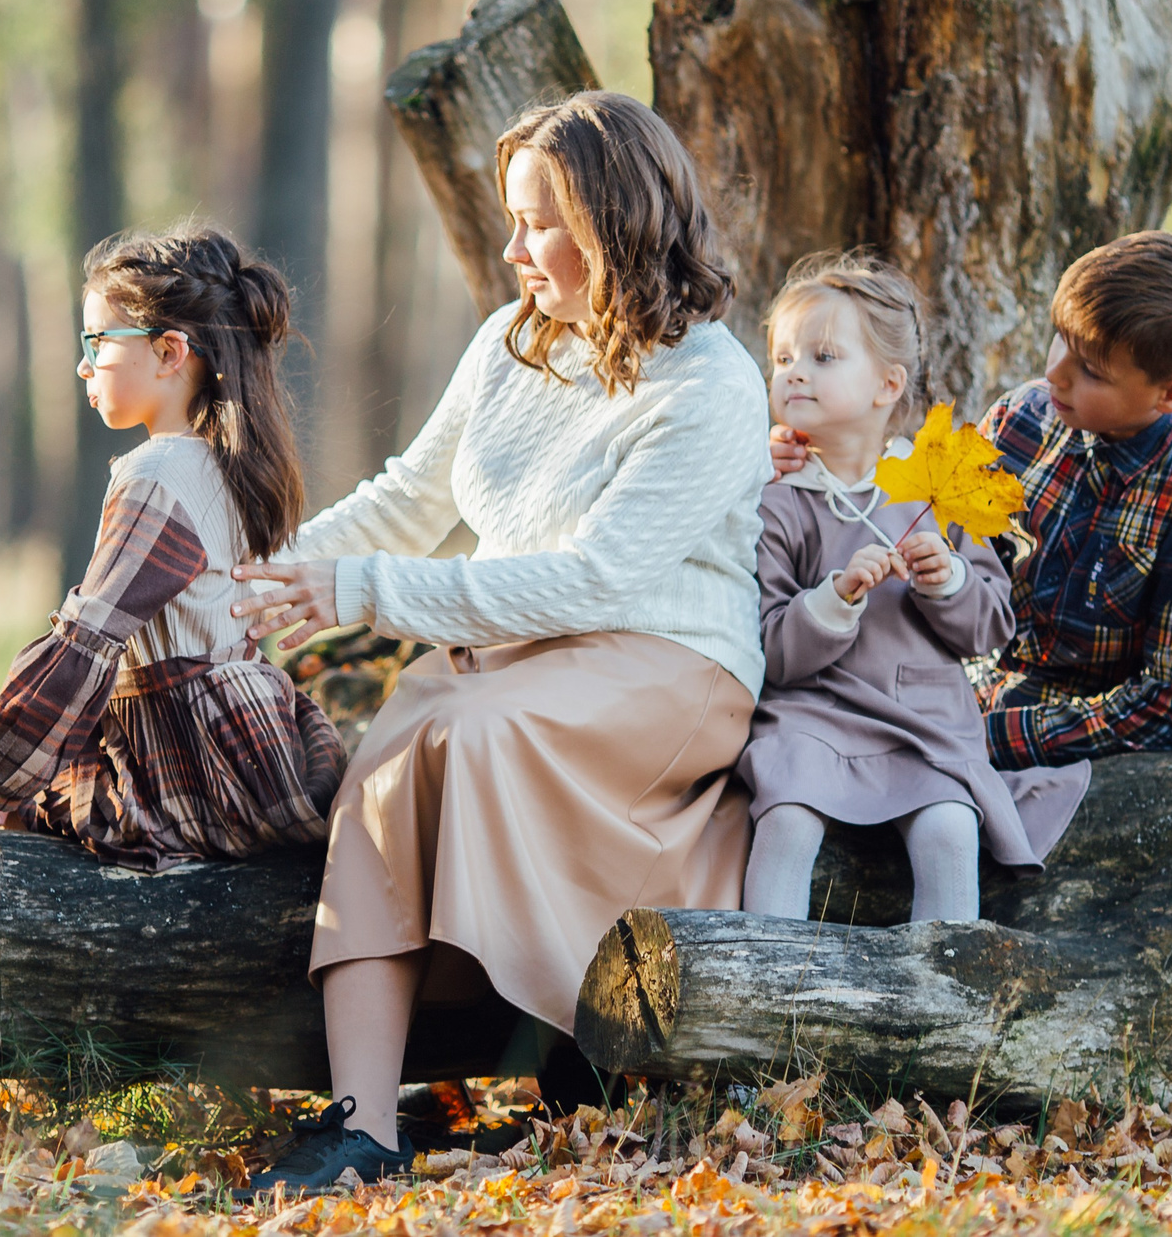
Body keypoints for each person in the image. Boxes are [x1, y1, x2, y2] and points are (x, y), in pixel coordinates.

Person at [230, 93, 771, 1191]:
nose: (514, 250)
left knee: (471, 730)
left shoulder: (711, 382)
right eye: (513, 221)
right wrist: (263, 579)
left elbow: (599, 578)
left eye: (539, 224)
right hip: (506, 656)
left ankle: (578, 1058)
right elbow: (407, 498)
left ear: (617, 228)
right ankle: (361, 1125)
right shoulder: (508, 343)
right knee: (392, 752)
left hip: (665, 667)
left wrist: (361, 592)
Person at [0, 225, 346, 870]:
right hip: (252, 752)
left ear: (169, 351)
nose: (83, 364)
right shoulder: (225, 464)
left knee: (18, 808)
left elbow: (86, 642)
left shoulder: (157, 475)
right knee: (29, 790)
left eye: (97, 341)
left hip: (196, 773)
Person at [769, 230, 1172, 769]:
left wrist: (982, 738)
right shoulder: (1023, 418)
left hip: (1054, 742)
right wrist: (810, 453)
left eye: (1091, 370)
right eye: (1060, 339)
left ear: (1171, 394)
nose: (1054, 372)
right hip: (933, 701)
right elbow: (940, 552)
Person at [737, 253, 1087, 924]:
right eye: (782, 358)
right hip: (814, 714)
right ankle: (769, 975)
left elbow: (991, 627)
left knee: (950, 830)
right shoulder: (778, 500)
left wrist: (948, 580)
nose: (794, 371)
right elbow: (772, 650)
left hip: (924, 720)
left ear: (888, 384)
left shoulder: (929, 490)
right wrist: (835, 598)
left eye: (823, 356)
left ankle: (940, 980)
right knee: (785, 823)